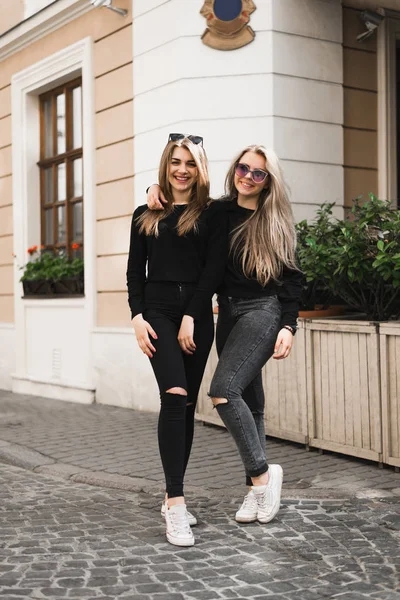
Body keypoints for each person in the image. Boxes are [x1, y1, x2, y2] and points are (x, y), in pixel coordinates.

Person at [147, 144, 303, 525]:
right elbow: (182, 208)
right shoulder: (217, 211)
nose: (247, 177)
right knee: (251, 403)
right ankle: (255, 491)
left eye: (258, 173)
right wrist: (153, 191)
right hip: (227, 313)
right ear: (234, 170)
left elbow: (292, 281)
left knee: (223, 390)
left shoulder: (275, 221)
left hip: (262, 311)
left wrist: (288, 325)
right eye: (243, 168)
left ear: (268, 182)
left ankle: (264, 476)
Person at [127, 134, 228, 547]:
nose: (181, 169)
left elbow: (214, 271)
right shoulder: (145, 213)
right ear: (165, 165)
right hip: (157, 315)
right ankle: (175, 502)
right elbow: (136, 271)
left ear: (198, 168)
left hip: (197, 317)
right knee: (173, 393)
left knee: (185, 403)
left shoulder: (212, 215)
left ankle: (174, 495)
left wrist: (192, 315)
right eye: (175, 161)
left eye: (189, 162)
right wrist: (136, 316)